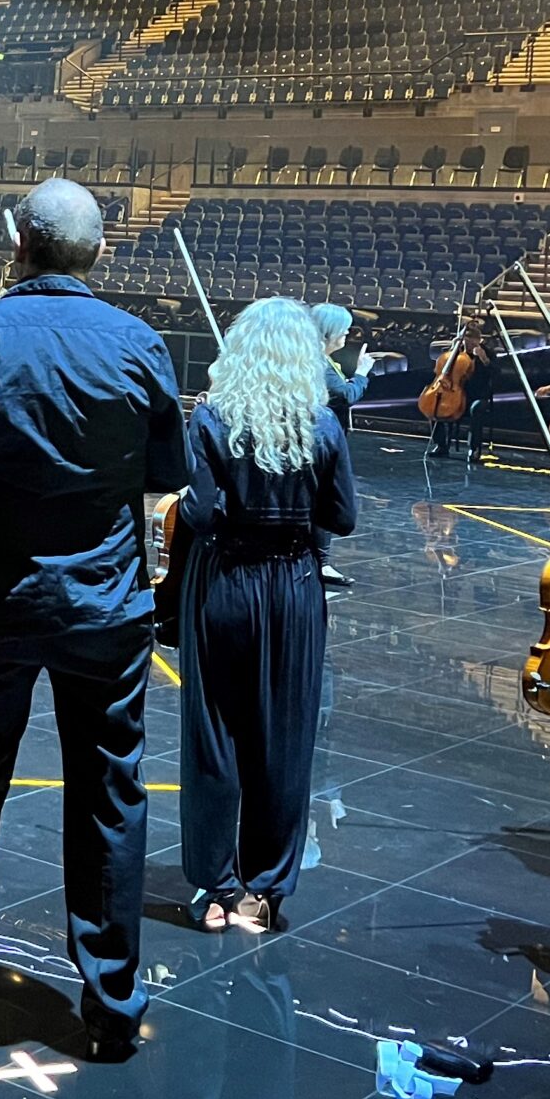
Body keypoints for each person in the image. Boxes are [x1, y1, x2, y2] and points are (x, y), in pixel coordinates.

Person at [0, 179, 191, 1060]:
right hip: (106, 606)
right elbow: (164, 470)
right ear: (97, 254)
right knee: (110, 799)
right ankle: (110, 1010)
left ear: (19, 245)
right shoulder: (140, 345)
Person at [178, 299, 357, 934]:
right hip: (295, 588)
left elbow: (197, 516)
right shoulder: (324, 425)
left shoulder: (210, 417)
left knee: (215, 736)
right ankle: (265, 889)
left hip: (224, 582)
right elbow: (341, 519)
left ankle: (217, 886)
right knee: (284, 740)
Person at [310, 304, 373, 587]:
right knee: (325, 496)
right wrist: (362, 373)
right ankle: (321, 562)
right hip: (321, 441)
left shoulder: (321, 360)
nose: (348, 333)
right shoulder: (318, 362)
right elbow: (346, 394)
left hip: (324, 436)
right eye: (344, 329)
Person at [424, 312, 493, 462]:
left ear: (479, 341)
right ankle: (441, 445)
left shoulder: (487, 353)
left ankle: (473, 449)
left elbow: (495, 373)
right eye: (466, 342)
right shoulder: (455, 353)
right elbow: (441, 371)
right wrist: (453, 349)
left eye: (472, 342)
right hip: (453, 392)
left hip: (476, 395)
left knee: (477, 409)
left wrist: (484, 359)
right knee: (433, 406)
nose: (468, 345)